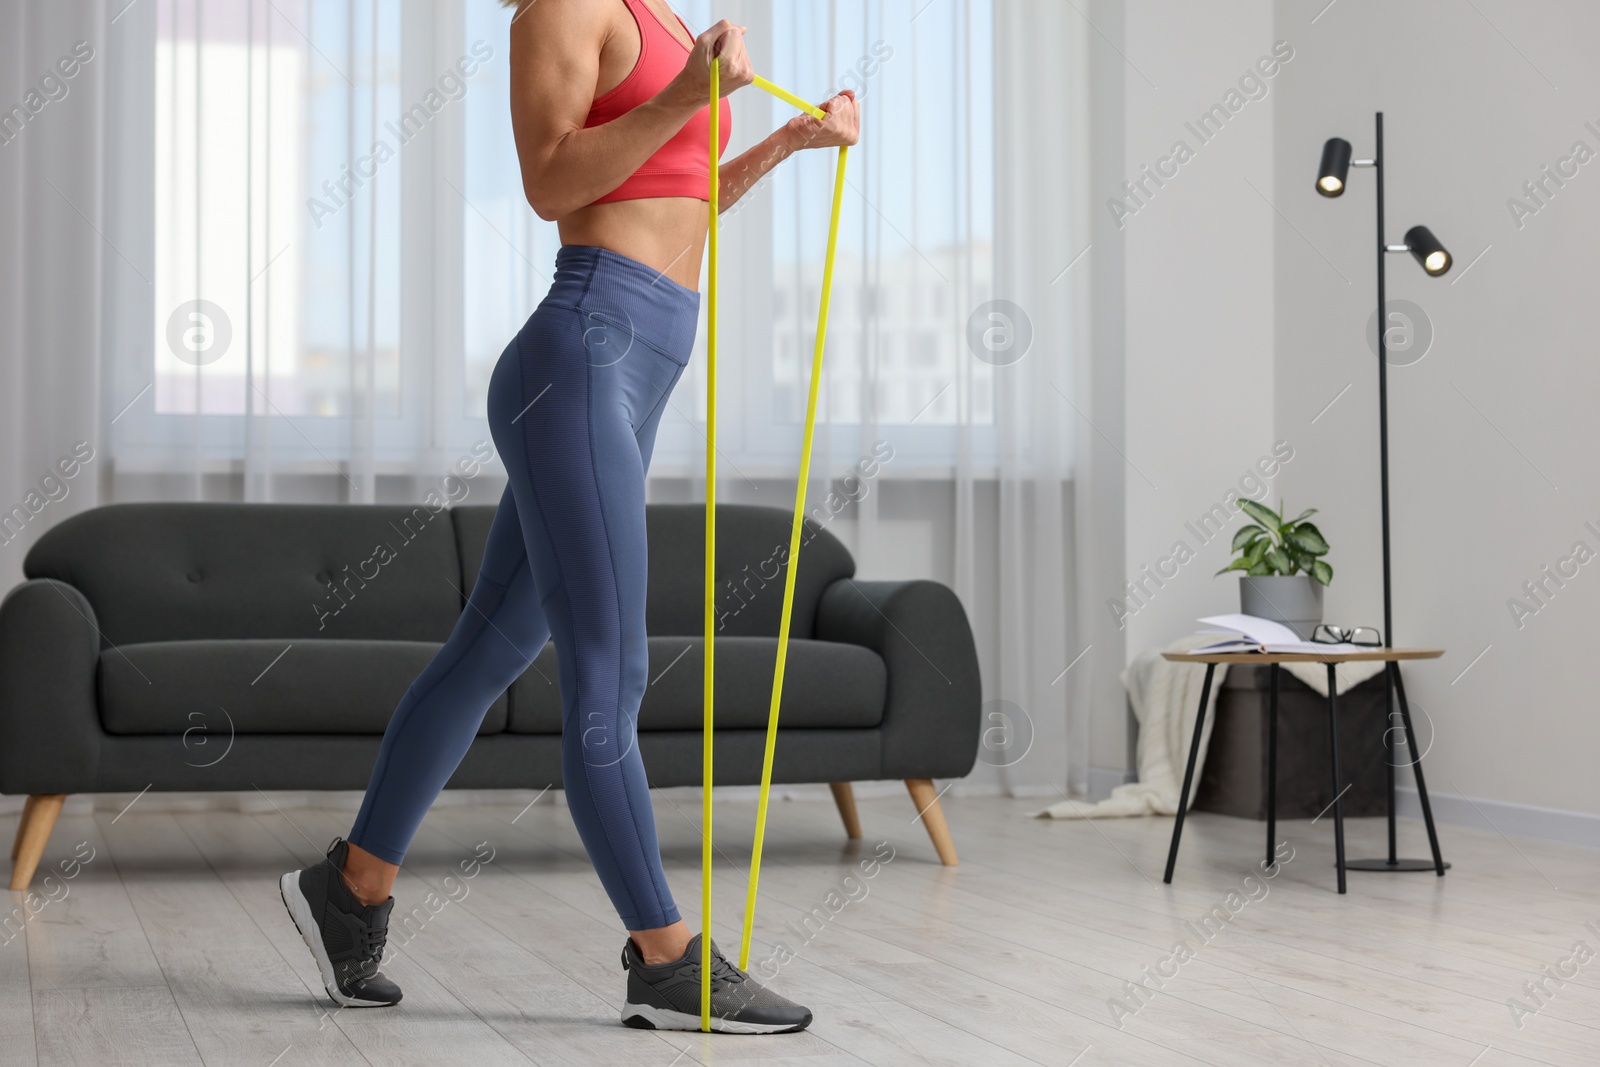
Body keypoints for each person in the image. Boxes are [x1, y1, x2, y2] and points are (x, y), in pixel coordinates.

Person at [278, 0, 859, 1035]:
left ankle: (352, 883)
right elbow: (553, 182)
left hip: (633, 367)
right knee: (612, 670)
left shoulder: (671, 23)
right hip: (580, 354)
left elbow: (681, 197)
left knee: (484, 652)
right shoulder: (561, 9)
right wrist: (689, 94)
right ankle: (664, 953)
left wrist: (781, 140)